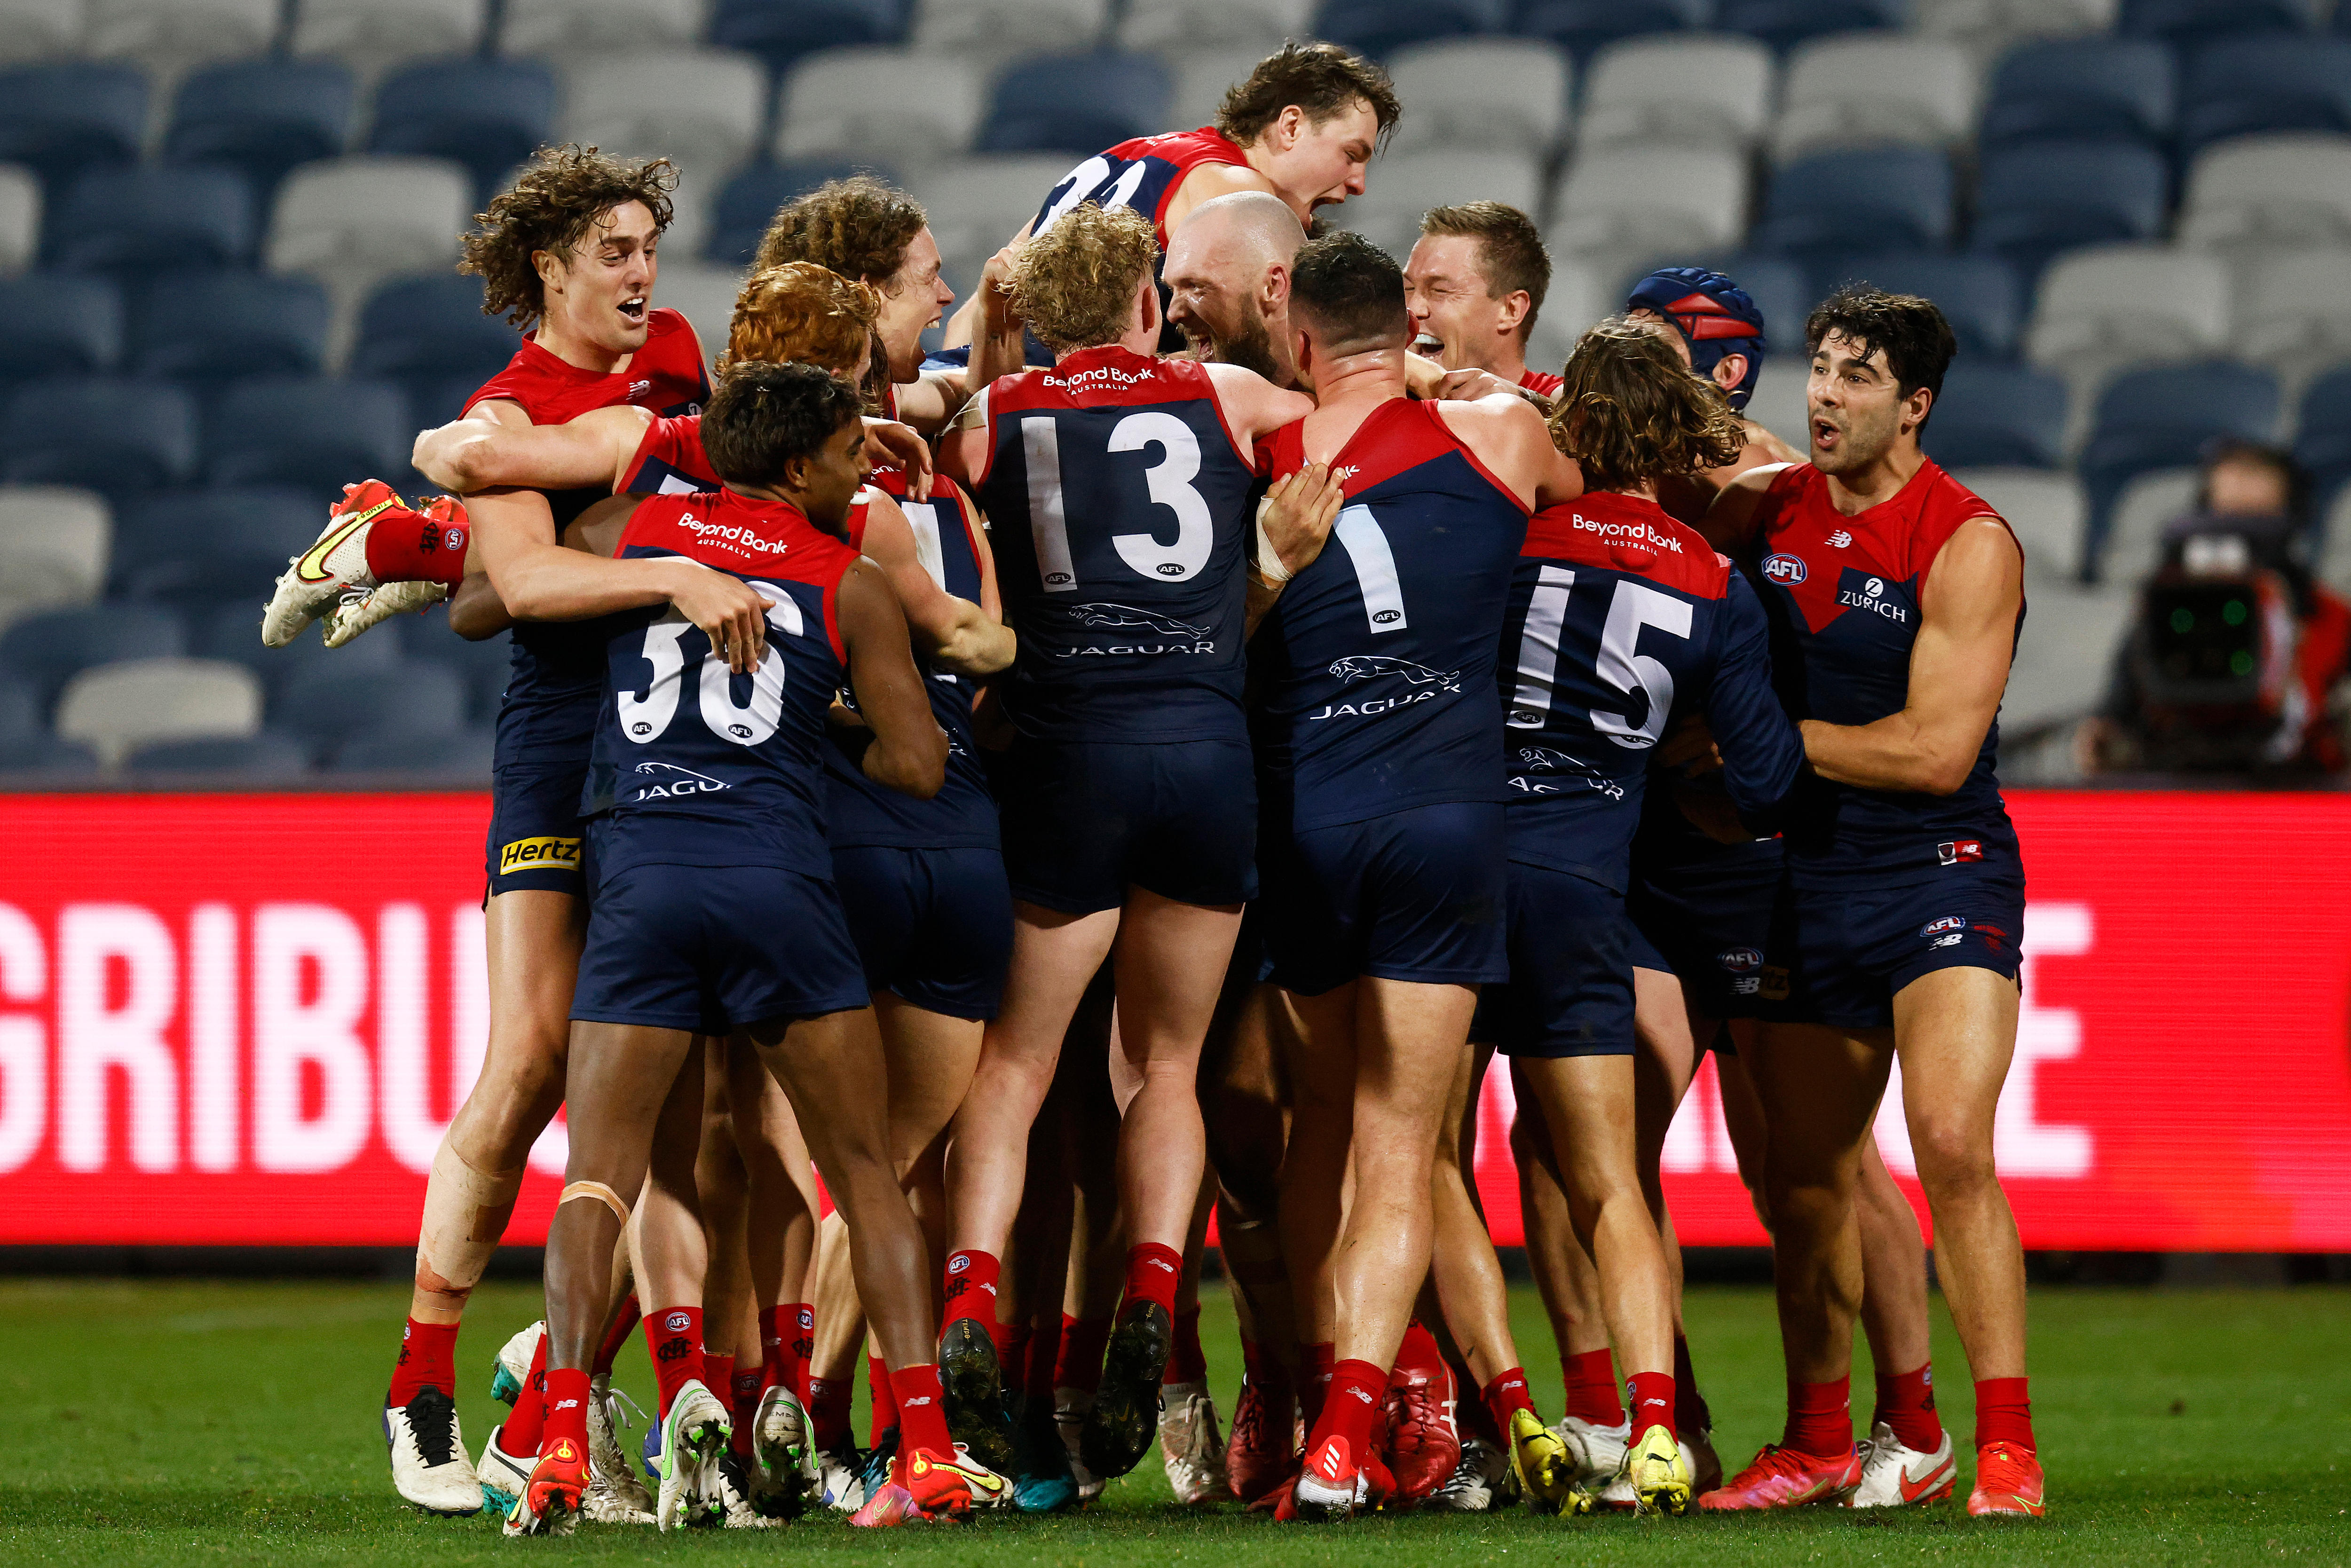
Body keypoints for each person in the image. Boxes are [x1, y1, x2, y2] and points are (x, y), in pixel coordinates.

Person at [253, 145, 723, 1521]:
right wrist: (660, 563)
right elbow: (521, 590)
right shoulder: (505, 407)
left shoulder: (674, 351)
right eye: (614, 253)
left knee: (680, 1103)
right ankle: (422, 1384)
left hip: (675, 734)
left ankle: (551, 1396)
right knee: (527, 1063)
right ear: (548, 271)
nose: (642, 274)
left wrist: (458, 548)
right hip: (564, 744)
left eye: (648, 247)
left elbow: (494, 589)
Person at [504, 360, 1006, 1535]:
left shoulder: (627, 533)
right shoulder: (851, 583)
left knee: (599, 1175)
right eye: (847, 454)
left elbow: (503, 592)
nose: (863, 472)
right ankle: (928, 1453)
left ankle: (561, 1444)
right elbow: (919, 764)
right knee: (864, 1173)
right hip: (777, 887)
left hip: (645, 882)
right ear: (795, 466)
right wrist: (820, 718)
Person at [1528, 271, 1948, 1512]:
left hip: (1756, 860)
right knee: (1586, 1144)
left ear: (1713, 372)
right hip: (1647, 857)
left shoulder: (1762, 487)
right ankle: (1663, 1419)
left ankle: (1906, 1422)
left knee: (1810, 1159)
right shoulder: (1610, 466)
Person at [931, 200, 1316, 1483]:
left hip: (1066, 755)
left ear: (1047, 315)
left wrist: (987, 351)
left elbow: (927, 461)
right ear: (1150, 304)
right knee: (1164, 1064)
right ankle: (1154, 1276)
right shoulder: (1230, 398)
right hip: (1204, 753)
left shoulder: (997, 413)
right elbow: (1347, 430)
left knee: (1015, 1063)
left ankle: (973, 1292)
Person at [1246, 230, 1578, 1521]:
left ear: (1301, 341)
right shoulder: (1500, 436)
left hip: (1314, 821)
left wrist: (1273, 563)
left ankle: (1324, 1399)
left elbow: (1218, 638)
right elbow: (1592, 475)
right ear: (1407, 329)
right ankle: (1344, 1441)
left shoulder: (1268, 453)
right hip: (1447, 817)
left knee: (1324, 1124)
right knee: (1402, 1143)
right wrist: (1458, 383)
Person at [1700, 285, 2041, 1519]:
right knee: (1807, 1180)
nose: (1825, 393)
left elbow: (1935, 752)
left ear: (1915, 405)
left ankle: (2007, 1446)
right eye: (1821, 368)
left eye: (1857, 375)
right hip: (1804, 873)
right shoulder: (1765, 504)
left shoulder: (1966, 537)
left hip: (1940, 866)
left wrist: (1762, 743)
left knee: (1949, 1141)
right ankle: (1821, 1440)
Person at [1478, 317, 1805, 1515]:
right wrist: (1664, 756)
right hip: (1585, 884)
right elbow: (1769, 786)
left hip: (1459, 862)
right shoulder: (1713, 580)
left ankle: (1491, 1417)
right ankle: (1656, 1427)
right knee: (1607, 1170)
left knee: (1413, 1152)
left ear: (1570, 424)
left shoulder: (1506, 530)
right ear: (1676, 437)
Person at [939, 42, 1399, 354]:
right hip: (1084, 426)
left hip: (998, 406)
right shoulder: (1238, 191)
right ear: (1291, 126)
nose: (1358, 182)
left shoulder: (1125, 157)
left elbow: (964, 329)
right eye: (1351, 154)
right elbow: (1277, 350)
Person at [2078, 440, 2350, 776]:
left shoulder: (2329, 614)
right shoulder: (2162, 609)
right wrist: (2106, 727)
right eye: (2224, 519)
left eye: (2257, 523)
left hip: (2294, 779)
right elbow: (2121, 703)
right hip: (2173, 773)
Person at [1403, 201, 1562, 398]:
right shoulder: (1380, 402)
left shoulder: (1566, 408)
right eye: (1408, 288)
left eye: (1440, 290)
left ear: (1511, 310)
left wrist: (1521, 402)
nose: (1412, 308)